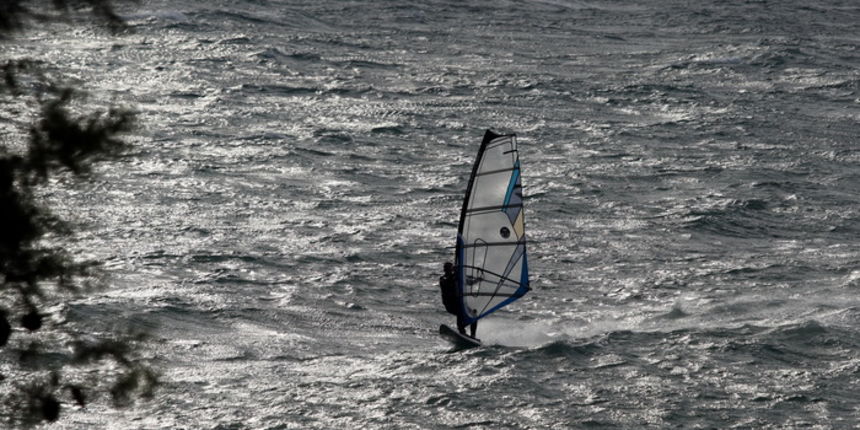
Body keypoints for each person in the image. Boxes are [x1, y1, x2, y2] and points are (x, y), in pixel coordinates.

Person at [439, 261, 477, 338]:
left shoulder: (457, 278)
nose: (448, 270)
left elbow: (469, 282)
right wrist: (457, 274)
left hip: (460, 304)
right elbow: (448, 281)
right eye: (446, 269)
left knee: (474, 313)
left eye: (449, 269)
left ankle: (473, 335)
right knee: (460, 310)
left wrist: (478, 280)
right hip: (450, 305)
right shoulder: (443, 279)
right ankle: (462, 331)